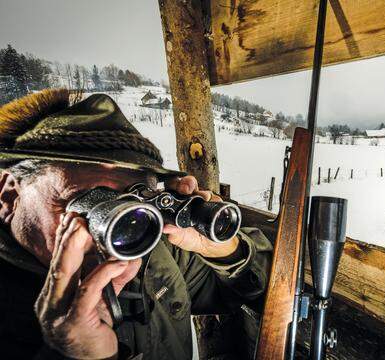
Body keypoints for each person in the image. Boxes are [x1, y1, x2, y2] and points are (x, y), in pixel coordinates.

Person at [0, 89, 272, 359]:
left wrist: (222, 249)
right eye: (92, 205)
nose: (113, 231)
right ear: (8, 195)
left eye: (129, 205)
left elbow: (256, 289)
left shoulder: (149, 249)